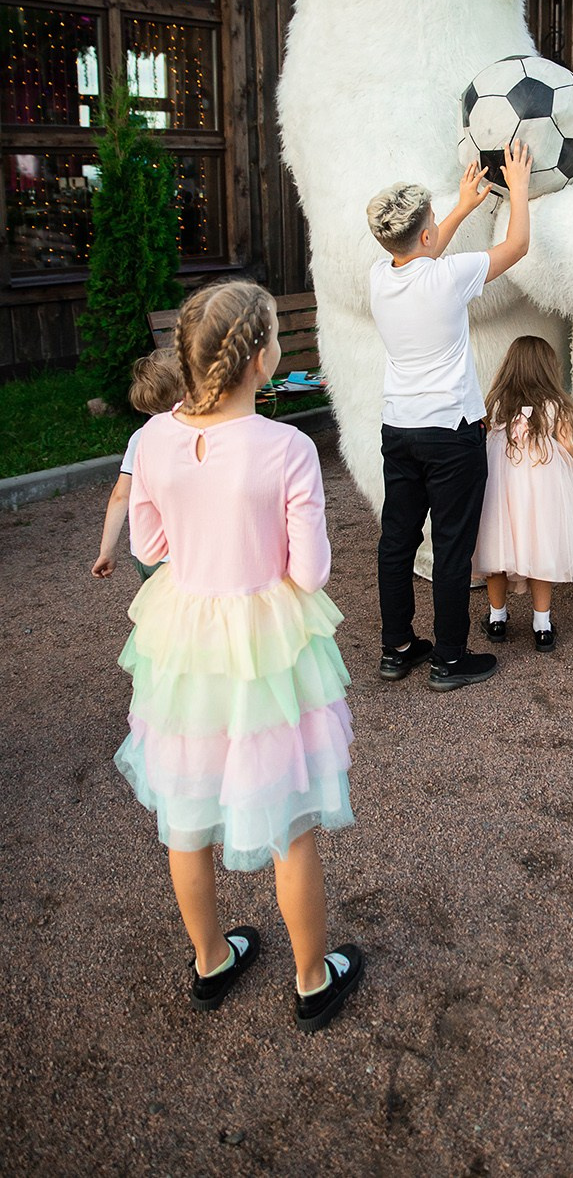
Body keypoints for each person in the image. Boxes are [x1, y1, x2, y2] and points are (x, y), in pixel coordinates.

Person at [114, 280, 363, 1033]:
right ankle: (312, 978)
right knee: (289, 818)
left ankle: (212, 960)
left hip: (184, 641)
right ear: (261, 360)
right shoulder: (286, 448)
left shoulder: (153, 437)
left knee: (186, 815)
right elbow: (312, 573)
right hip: (263, 645)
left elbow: (148, 547)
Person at [367, 142, 532, 693]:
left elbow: (423, 251)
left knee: (397, 542)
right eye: (436, 220)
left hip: (400, 430)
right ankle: (449, 659)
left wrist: (459, 207)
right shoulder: (449, 277)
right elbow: (518, 245)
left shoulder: (379, 278)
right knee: (453, 546)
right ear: (427, 235)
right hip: (452, 436)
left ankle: (396, 650)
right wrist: (519, 185)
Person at [474, 334, 573, 651]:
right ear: (546, 368)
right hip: (543, 493)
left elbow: (482, 440)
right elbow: (566, 447)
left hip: (501, 490)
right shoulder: (555, 406)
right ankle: (542, 625)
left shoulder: (496, 404)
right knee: (542, 551)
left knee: (496, 551)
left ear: (510, 366)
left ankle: (497, 618)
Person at [92, 349, 186, 581]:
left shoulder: (140, 438)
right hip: (183, 557)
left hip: (146, 555)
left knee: (156, 613)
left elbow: (120, 496)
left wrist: (107, 549)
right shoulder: (197, 435)